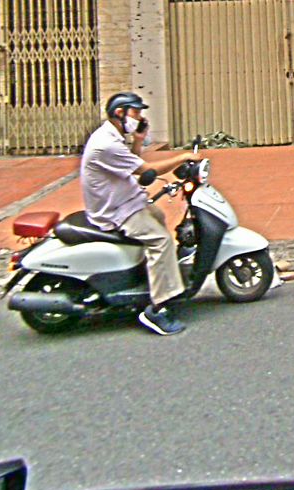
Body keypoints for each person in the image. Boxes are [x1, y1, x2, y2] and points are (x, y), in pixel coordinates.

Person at [80, 92, 202, 335]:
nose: (139, 117)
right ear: (120, 113)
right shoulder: (106, 144)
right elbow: (145, 169)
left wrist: (138, 141)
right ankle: (157, 309)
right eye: (135, 112)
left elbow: (130, 164)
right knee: (161, 240)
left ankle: (154, 276)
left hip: (126, 201)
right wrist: (183, 157)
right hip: (116, 211)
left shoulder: (112, 136)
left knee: (157, 216)